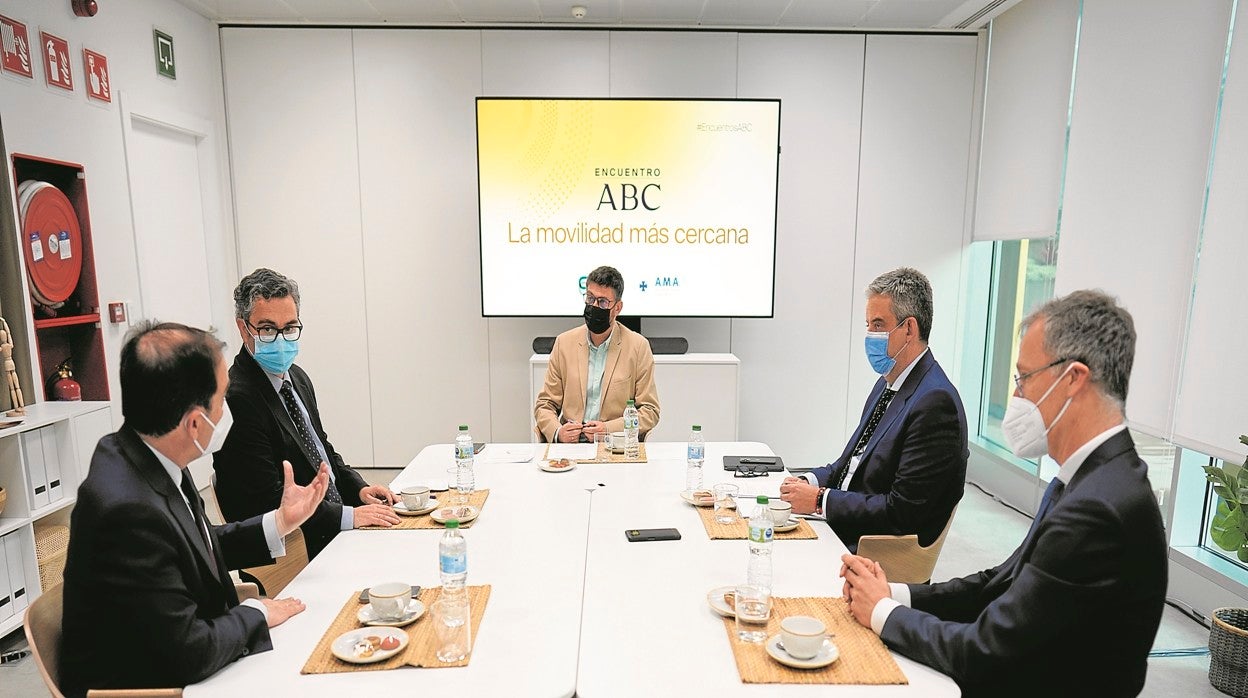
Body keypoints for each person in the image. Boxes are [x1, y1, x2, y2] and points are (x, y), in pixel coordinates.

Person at [840, 290, 1167, 697]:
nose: (1017, 397)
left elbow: (986, 653)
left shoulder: (1097, 508)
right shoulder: (1095, 478)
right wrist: (895, 593)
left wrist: (883, 613)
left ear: (1074, 379)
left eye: (1024, 378)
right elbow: (999, 583)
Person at [60, 322, 330, 696]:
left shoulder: (146, 451)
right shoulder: (127, 511)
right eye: (222, 400)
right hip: (150, 687)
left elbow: (195, 543)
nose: (226, 411)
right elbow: (189, 651)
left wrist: (280, 522)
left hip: (177, 656)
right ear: (193, 423)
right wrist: (258, 613)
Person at [213, 268, 399, 561]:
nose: (280, 339)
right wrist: (349, 517)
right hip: (299, 547)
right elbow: (268, 501)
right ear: (242, 327)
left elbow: (321, 450)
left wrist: (359, 490)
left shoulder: (296, 377)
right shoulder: (238, 398)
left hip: (332, 524)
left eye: (288, 327)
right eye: (266, 328)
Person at [779, 267, 967, 553]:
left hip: (872, 549)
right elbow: (848, 465)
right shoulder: (888, 383)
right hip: (845, 523)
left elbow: (901, 512)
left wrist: (819, 500)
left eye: (878, 325)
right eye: (868, 324)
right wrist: (805, 482)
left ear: (909, 329)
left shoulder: (936, 403)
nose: (869, 335)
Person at [534, 265, 660, 443]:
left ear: (617, 308)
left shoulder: (638, 347)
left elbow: (649, 411)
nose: (594, 306)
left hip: (615, 445)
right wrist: (558, 432)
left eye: (602, 302)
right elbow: (545, 404)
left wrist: (608, 429)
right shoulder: (564, 343)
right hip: (570, 447)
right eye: (590, 298)